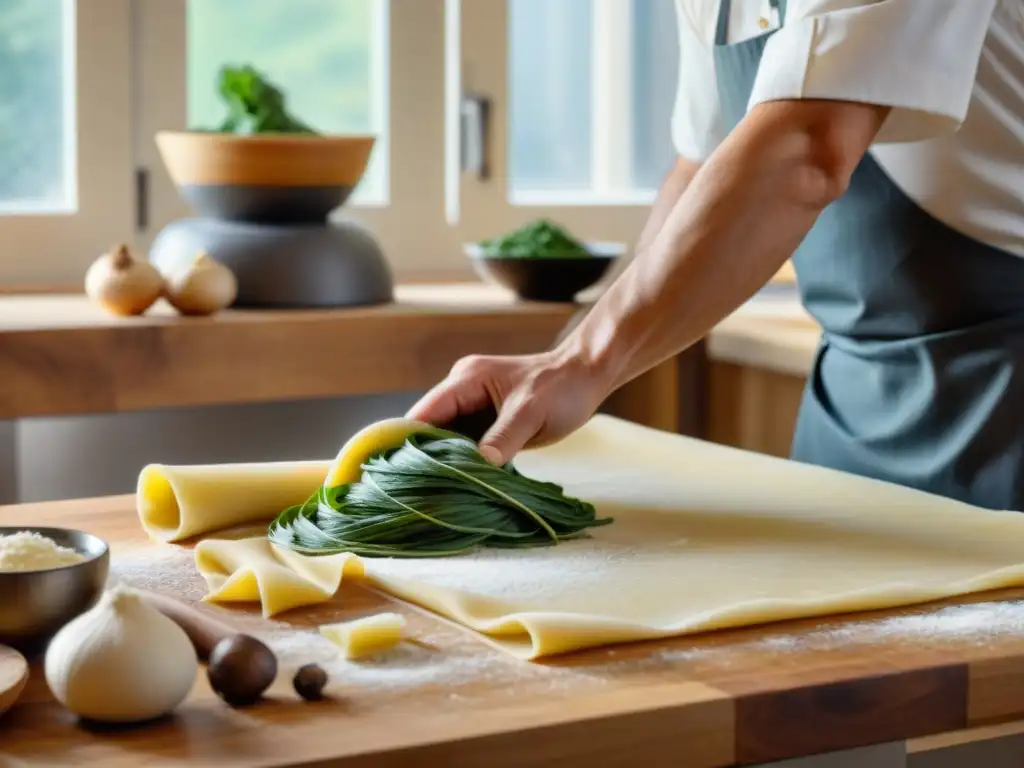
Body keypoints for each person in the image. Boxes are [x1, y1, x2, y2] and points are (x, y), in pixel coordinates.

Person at [409, 0, 1024, 510]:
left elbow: (807, 148)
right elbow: (702, 165)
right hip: (849, 410)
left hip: (1006, 409)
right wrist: (563, 362)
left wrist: (585, 361)